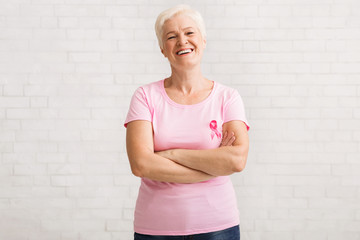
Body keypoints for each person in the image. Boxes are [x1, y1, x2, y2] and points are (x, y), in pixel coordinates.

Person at [124, 4, 250, 240]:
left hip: (218, 226)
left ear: (203, 40)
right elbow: (141, 164)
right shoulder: (145, 96)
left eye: (190, 33)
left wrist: (170, 155)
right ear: (163, 49)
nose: (182, 41)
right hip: (156, 228)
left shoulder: (227, 97)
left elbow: (236, 160)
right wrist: (212, 167)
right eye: (172, 36)